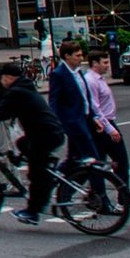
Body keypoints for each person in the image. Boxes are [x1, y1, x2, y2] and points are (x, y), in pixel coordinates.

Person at [0, 61, 67, 226]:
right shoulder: (25, 87)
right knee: (22, 144)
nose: (1, 81)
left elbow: (1, 111)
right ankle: (42, 169)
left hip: (44, 136)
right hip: (49, 132)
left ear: (8, 77)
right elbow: (9, 111)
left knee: (35, 174)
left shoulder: (16, 92)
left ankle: (33, 211)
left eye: (2, 78)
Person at [47, 41, 104, 205]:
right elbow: (54, 103)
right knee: (93, 161)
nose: (81, 58)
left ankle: (54, 186)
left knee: (74, 161)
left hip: (84, 120)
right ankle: (102, 200)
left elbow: (84, 98)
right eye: (77, 55)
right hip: (74, 124)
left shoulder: (78, 72)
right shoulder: (59, 74)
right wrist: (58, 124)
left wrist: (93, 117)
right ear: (67, 56)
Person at [85, 51, 130, 210]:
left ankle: (100, 196)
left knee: (100, 163)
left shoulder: (98, 79)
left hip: (105, 124)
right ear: (94, 63)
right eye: (104, 62)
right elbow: (95, 108)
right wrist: (110, 129)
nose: (107, 65)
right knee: (119, 161)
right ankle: (121, 198)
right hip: (102, 125)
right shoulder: (91, 81)